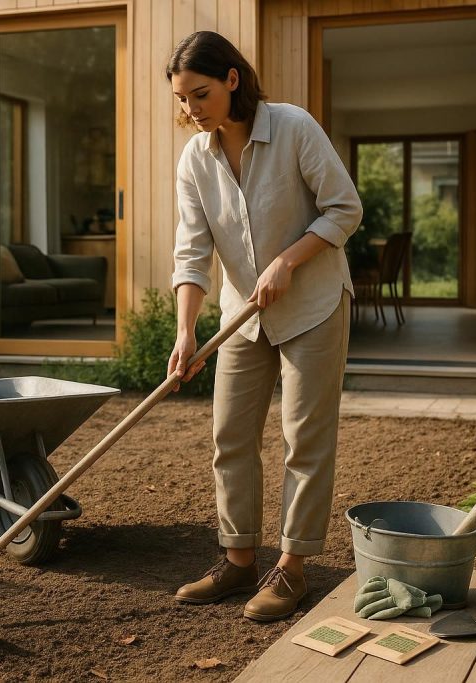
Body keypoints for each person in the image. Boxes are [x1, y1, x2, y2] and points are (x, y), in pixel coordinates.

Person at [165, 31, 362, 622]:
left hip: (314, 305)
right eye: (181, 99)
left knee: (304, 439)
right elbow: (192, 252)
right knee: (230, 436)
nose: (191, 109)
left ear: (231, 79)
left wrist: (287, 261)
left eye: (199, 94)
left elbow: (344, 208)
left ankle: (292, 569)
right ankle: (238, 559)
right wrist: (185, 331)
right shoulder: (195, 159)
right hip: (241, 317)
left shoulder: (294, 127)